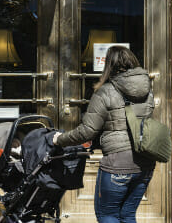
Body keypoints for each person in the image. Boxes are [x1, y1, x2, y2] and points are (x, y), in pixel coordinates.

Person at [52, 45, 155, 223]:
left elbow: (87, 132)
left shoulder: (106, 91)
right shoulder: (148, 92)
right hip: (145, 162)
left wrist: (59, 139)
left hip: (118, 163)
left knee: (107, 215)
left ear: (109, 65)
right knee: (128, 215)